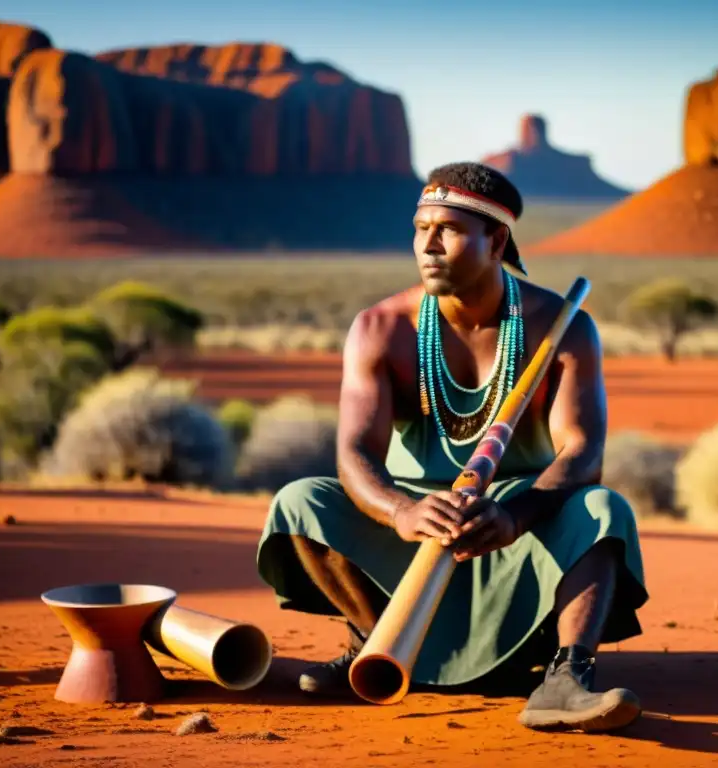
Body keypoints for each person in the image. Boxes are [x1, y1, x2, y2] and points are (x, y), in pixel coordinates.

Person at [255, 161, 649, 733]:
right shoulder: (381, 327)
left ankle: (566, 679)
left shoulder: (561, 326)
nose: (429, 245)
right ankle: (378, 645)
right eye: (421, 227)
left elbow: (583, 452)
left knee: (603, 509)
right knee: (299, 501)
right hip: (411, 526)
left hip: (518, 526)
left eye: (449, 230)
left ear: (496, 240)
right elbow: (354, 454)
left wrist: (514, 514)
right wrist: (401, 509)